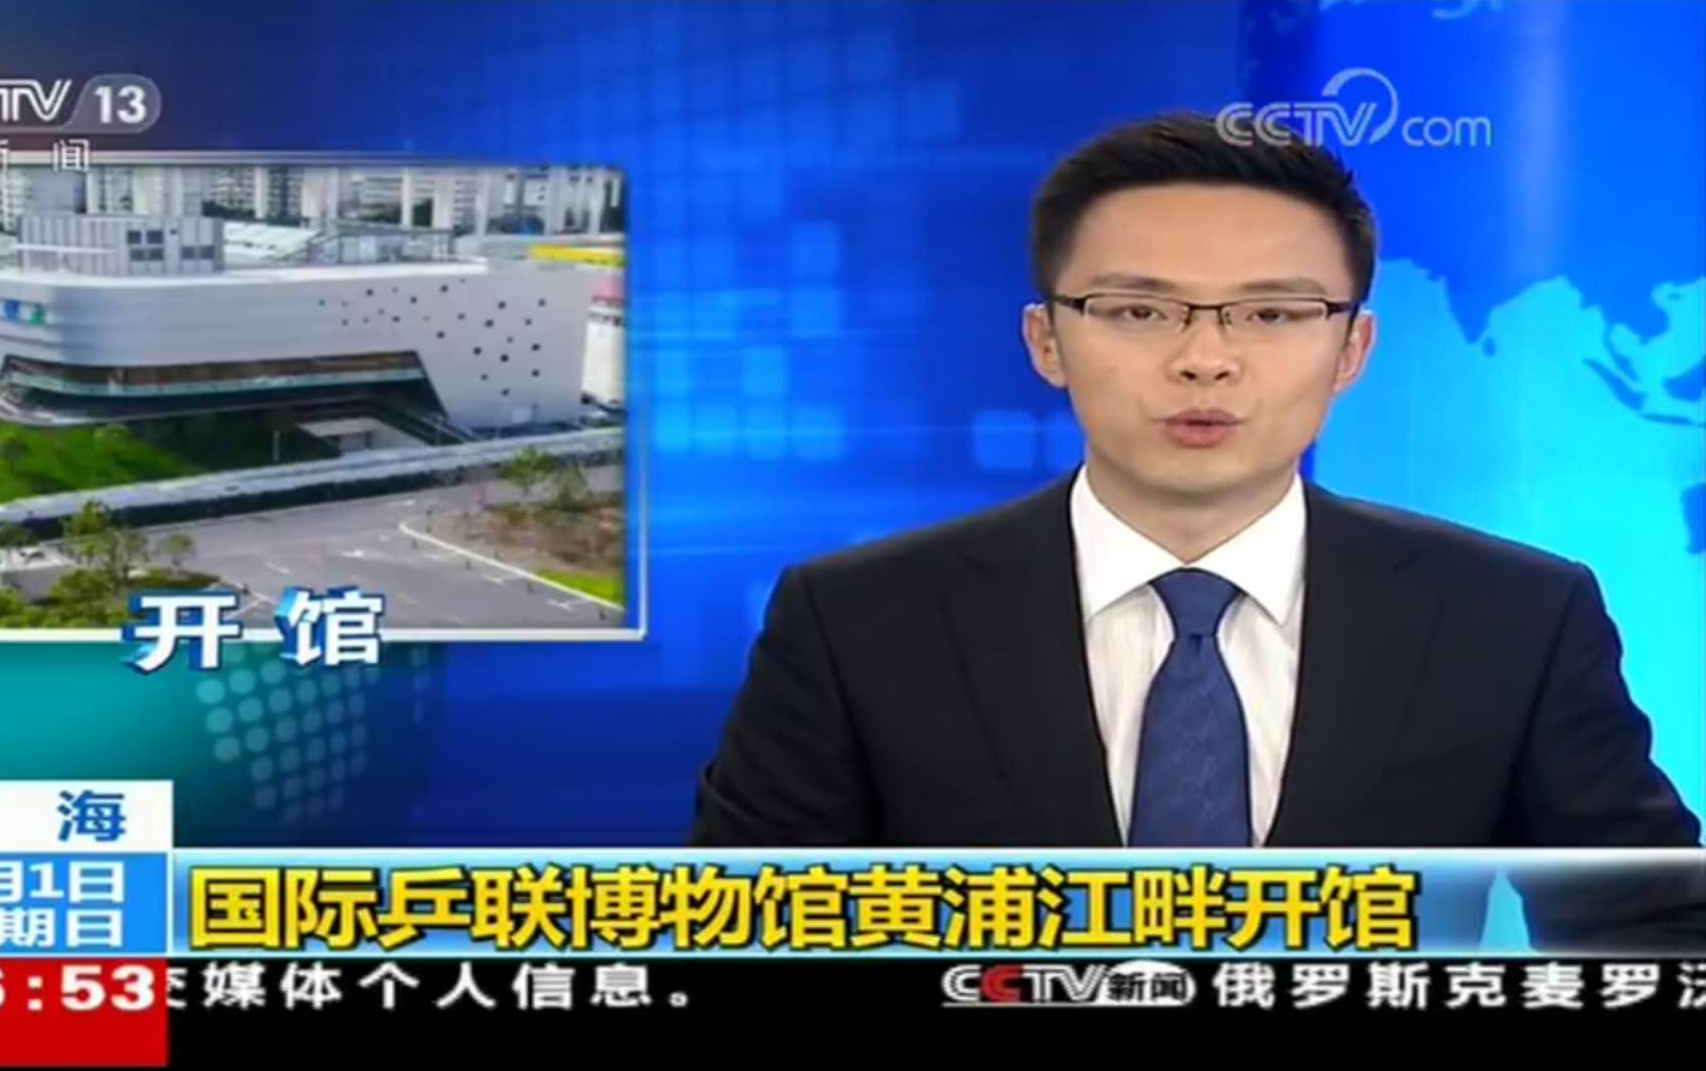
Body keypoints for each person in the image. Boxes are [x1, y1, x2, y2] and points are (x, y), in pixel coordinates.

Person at [691, 110, 1706, 948]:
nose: (1205, 360)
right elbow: (737, 935)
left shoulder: (1510, 617)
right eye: (1140, 312)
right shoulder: (861, 621)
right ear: (1047, 341)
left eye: (1272, 315)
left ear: (1353, 350)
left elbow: (1653, 929)